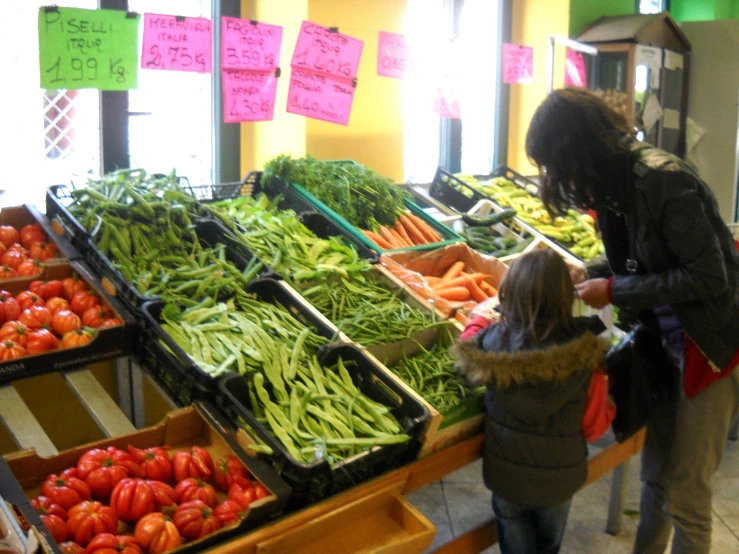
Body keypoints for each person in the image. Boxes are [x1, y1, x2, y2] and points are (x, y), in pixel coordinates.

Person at [525, 87, 739, 554]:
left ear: (577, 151)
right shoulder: (613, 184)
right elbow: (644, 260)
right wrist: (592, 270)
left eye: (556, 166)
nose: (559, 179)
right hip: (664, 340)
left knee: (686, 492)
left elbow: (708, 276)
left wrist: (615, 290)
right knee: (657, 477)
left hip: (711, 347)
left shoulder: (663, 180)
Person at [452, 249, 616, 554]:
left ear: (508, 295)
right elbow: (593, 428)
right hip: (559, 484)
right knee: (548, 544)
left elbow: (466, 350)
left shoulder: (490, 344)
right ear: (567, 297)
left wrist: (478, 318)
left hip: (507, 479)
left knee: (514, 542)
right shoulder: (586, 355)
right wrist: (611, 408)